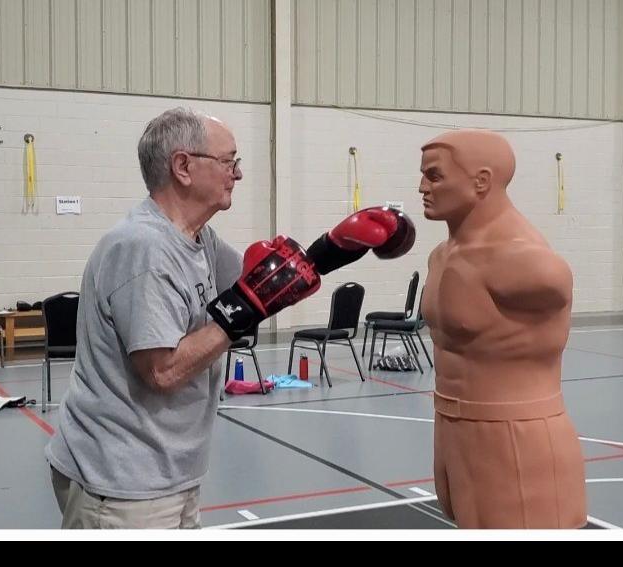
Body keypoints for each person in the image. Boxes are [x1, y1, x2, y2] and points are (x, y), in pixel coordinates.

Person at [46, 107, 414, 529]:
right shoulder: (143, 249)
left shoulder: (197, 238)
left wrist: (331, 249)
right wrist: (244, 309)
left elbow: (267, 285)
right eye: (228, 161)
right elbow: (162, 371)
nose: (237, 173)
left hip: (167, 470)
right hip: (122, 480)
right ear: (183, 167)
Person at [418, 129, 587, 528]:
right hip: (452, 428)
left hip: (516, 435)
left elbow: (556, 289)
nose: (422, 187)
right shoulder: (440, 257)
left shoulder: (527, 263)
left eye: (434, 176)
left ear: (481, 181)